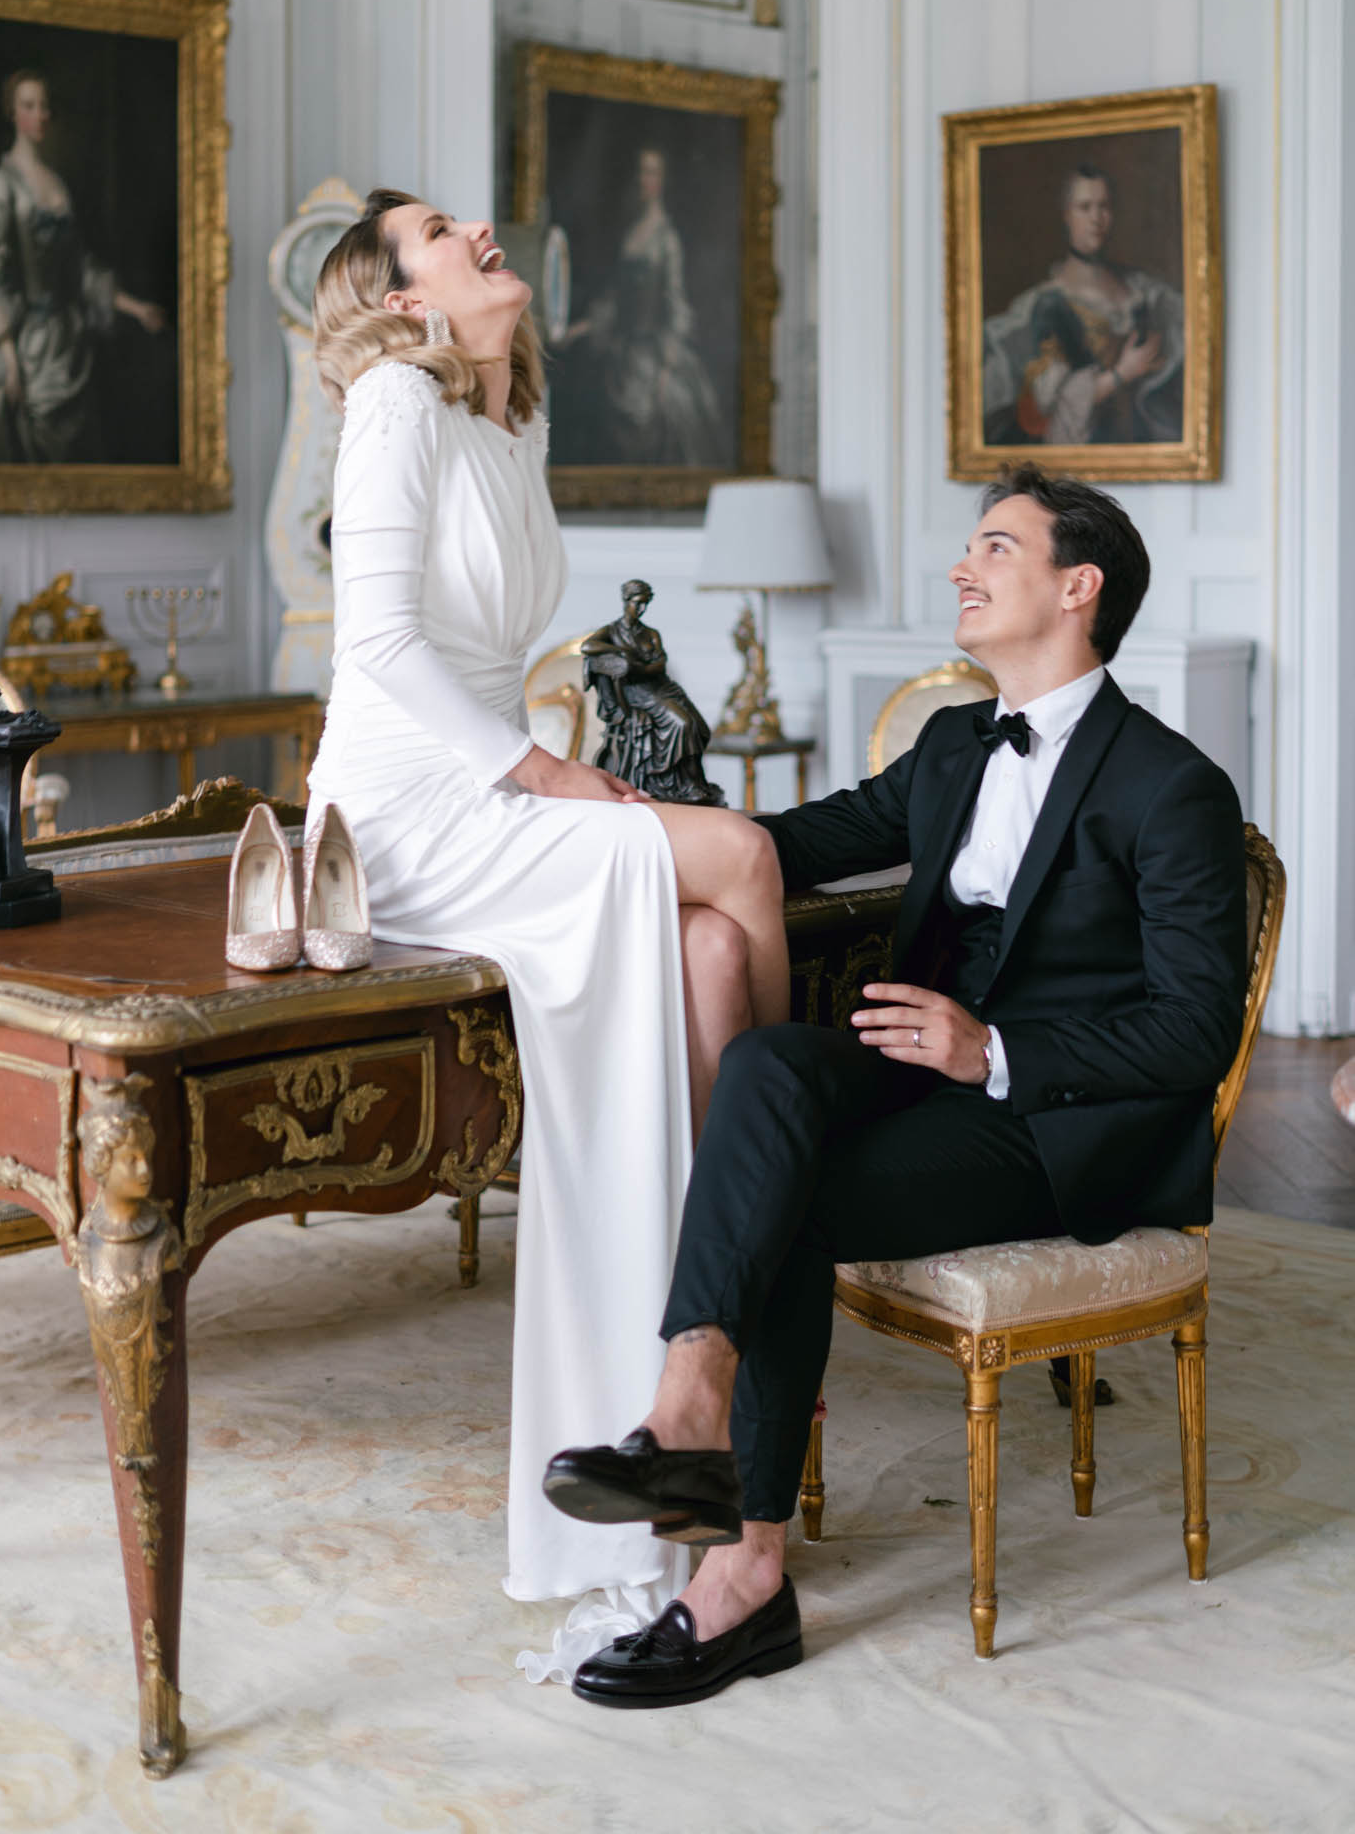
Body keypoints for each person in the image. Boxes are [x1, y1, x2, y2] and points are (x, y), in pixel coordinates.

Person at [544, 463, 1249, 1706]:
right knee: (766, 1063)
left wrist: (994, 1052)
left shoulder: (1171, 785)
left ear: (1076, 587)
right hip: (916, 1075)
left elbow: (1194, 1030)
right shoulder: (949, 743)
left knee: (788, 1197)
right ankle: (689, 1399)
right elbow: (783, 841)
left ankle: (741, 1573)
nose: (958, 569)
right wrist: (601, 805)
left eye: (992, 547)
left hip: (1053, 1124)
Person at [306, 188, 786, 1681]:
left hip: (496, 790)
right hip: (408, 815)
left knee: (710, 955)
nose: (479, 234)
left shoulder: (510, 423)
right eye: (438, 234)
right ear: (396, 299)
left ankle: (689, 1393)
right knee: (745, 856)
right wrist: (540, 772)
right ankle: (767, 1278)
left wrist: (541, 769)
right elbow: (377, 647)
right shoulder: (393, 398)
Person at [0, 70, 166, 464]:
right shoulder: (3, 185)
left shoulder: (56, 184)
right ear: (12, 113)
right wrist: (10, 357)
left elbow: (81, 269)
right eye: (29, 106)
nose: (41, 115)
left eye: (45, 106)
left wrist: (136, 308)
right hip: (25, 344)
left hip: (68, 341)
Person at [982, 164, 1184, 448]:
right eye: (1084, 207)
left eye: (1104, 207)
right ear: (1067, 216)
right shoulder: (1045, 305)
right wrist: (1121, 374)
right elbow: (1048, 405)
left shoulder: (1145, 292)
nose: (1096, 219)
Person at [557, 147, 728, 466]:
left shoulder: (667, 239)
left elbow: (676, 306)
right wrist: (579, 328)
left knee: (662, 418)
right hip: (623, 352)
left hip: (654, 355)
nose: (643, 179)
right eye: (639, 171)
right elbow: (614, 301)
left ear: (661, 181)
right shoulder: (630, 234)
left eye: (651, 172)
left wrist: (665, 370)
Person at [581, 579, 724, 805]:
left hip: (661, 687)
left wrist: (635, 667)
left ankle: (691, 783)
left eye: (645, 604)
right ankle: (682, 784)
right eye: (637, 603)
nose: (641, 609)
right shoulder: (612, 631)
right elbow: (587, 647)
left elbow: (660, 665)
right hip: (636, 694)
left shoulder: (651, 634)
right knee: (683, 724)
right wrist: (621, 652)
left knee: (699, 727)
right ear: (626, 601)